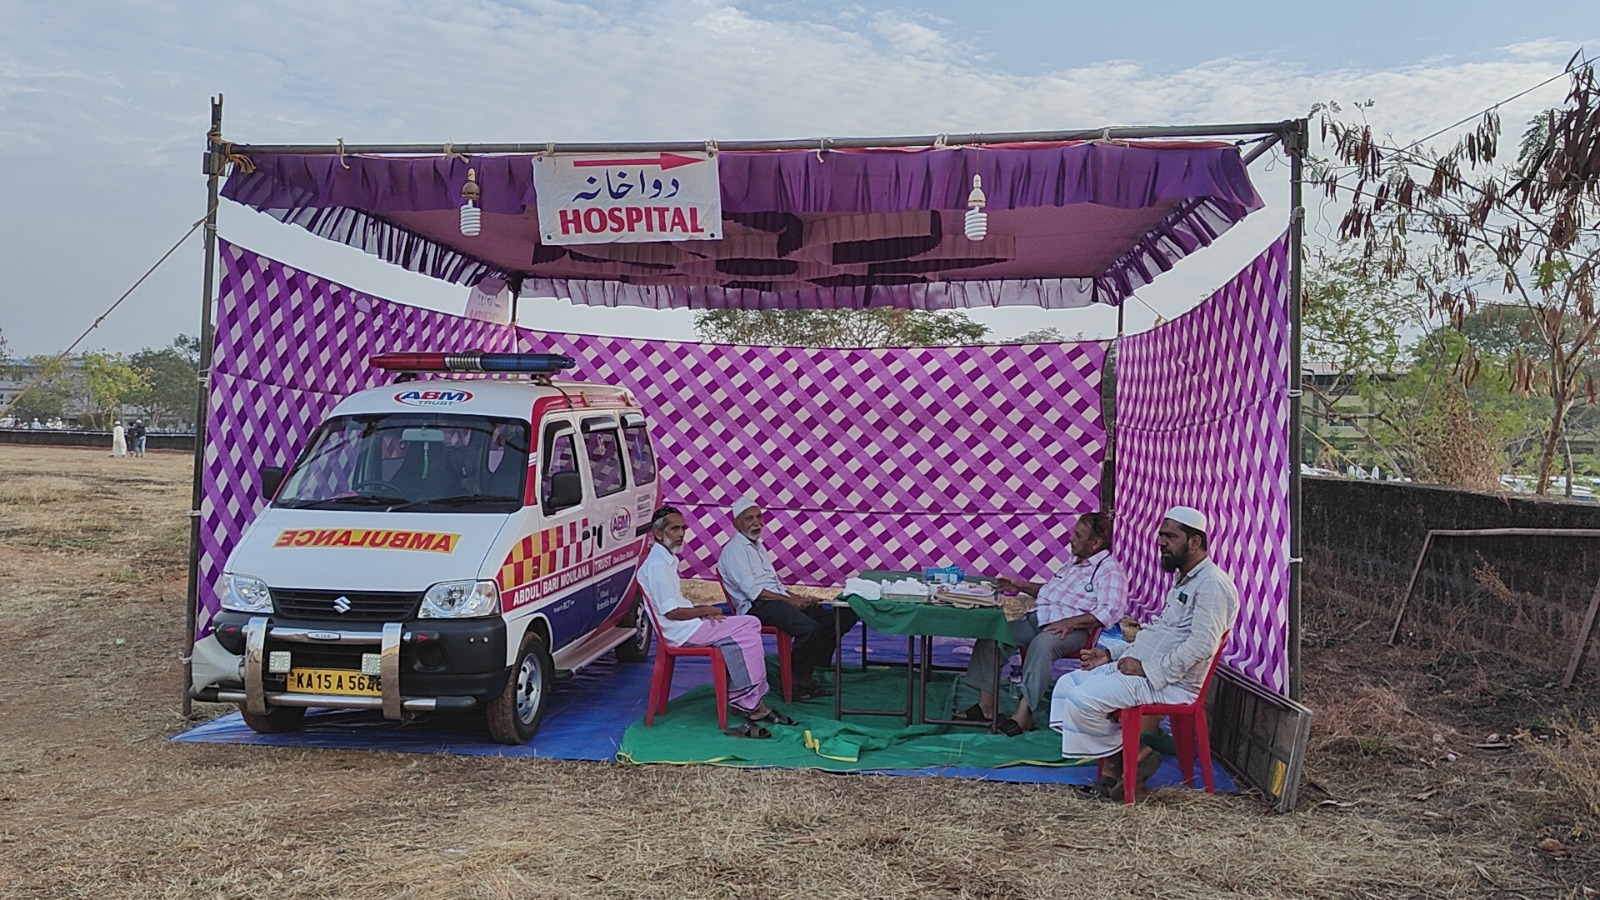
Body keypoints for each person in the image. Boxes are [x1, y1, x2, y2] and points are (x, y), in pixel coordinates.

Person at [1048, 506, 1239, 800]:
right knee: (1066, 687)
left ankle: (1130, 760)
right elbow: (1157, 635)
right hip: (1145, 669)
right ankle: (1124, 763)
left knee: (1082, 699)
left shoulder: (1213, 585)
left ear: (1195, 542)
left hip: (1170, 682)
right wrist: (1110, 654)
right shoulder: (1186, 579)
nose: (1161, 542)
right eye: (1161, 535)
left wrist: (1148, 670)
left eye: (1170, 537)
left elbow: (1202, 645)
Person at [956, 511, 1127, 736]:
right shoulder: (1074, 562)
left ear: (1095, 543)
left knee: (1042, 645)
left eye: (1078, 535)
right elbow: (1050, 592)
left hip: (1075, 629)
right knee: (994, 636)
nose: (1071, 538)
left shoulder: (1109, 570)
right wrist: (1019, 585)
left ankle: (1023, 714)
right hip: (1039, 618)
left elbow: (1111, 610)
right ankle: (985, 706)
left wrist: (1071, 622)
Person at [637, 506, 796, 738]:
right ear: (658, 533)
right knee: (749, 624)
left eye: (683, 528)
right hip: (681, 632)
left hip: (687, 626)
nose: (681, 534)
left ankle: (750, 701)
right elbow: (671, 612)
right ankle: (750, 702)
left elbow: (675, 605)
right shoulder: (657, 566)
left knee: (746, 629)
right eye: (674, 529)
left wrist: (701, 613)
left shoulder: (665, 558)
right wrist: (706, 610)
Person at [717, 497, 858, 700]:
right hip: (756, 607)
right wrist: (791, 602)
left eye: (758, 517)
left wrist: (799, 598)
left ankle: (808, 669)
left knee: (838, 618)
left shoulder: (757, 546)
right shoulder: (735, 550)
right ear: (736, 524)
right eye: (749, 519)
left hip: (775, 600)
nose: (756, 523)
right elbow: (755, 593)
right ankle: (795, 680)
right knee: (808, 628)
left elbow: (776, 585)